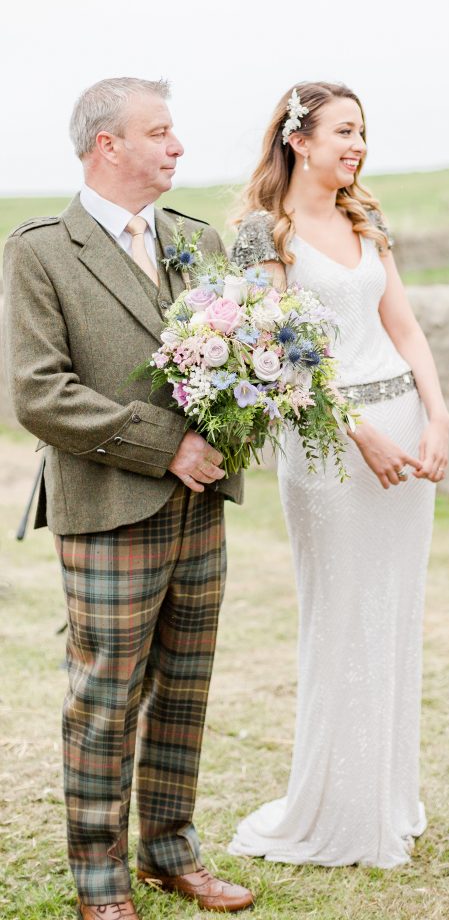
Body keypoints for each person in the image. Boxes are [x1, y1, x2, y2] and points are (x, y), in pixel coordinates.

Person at [3, 78, 254, 918]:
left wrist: (233, 426)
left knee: (185, 686)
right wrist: (165, 445)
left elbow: (241, 353)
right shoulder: (40, 249)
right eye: (160, 131)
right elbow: (39, 393)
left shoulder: (196, 237)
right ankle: (100, 881)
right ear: (107, 144)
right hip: (107, 505)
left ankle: (170, 852)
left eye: (174, 130)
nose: (177, 145)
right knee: (106, 698)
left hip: (202, 503)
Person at [228, 82, 449, 867]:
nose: (357, 145)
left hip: (403, 431)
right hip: (327, 447)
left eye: (363, 132)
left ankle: (386, 797)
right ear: (299, 139)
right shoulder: (263, 234)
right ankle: (335, 809)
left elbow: (405, 327)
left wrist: (437, 417)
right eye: (344, 131)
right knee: (340, 613)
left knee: (393, 610)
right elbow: (281, 355)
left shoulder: (367, 218)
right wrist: (358, 433)